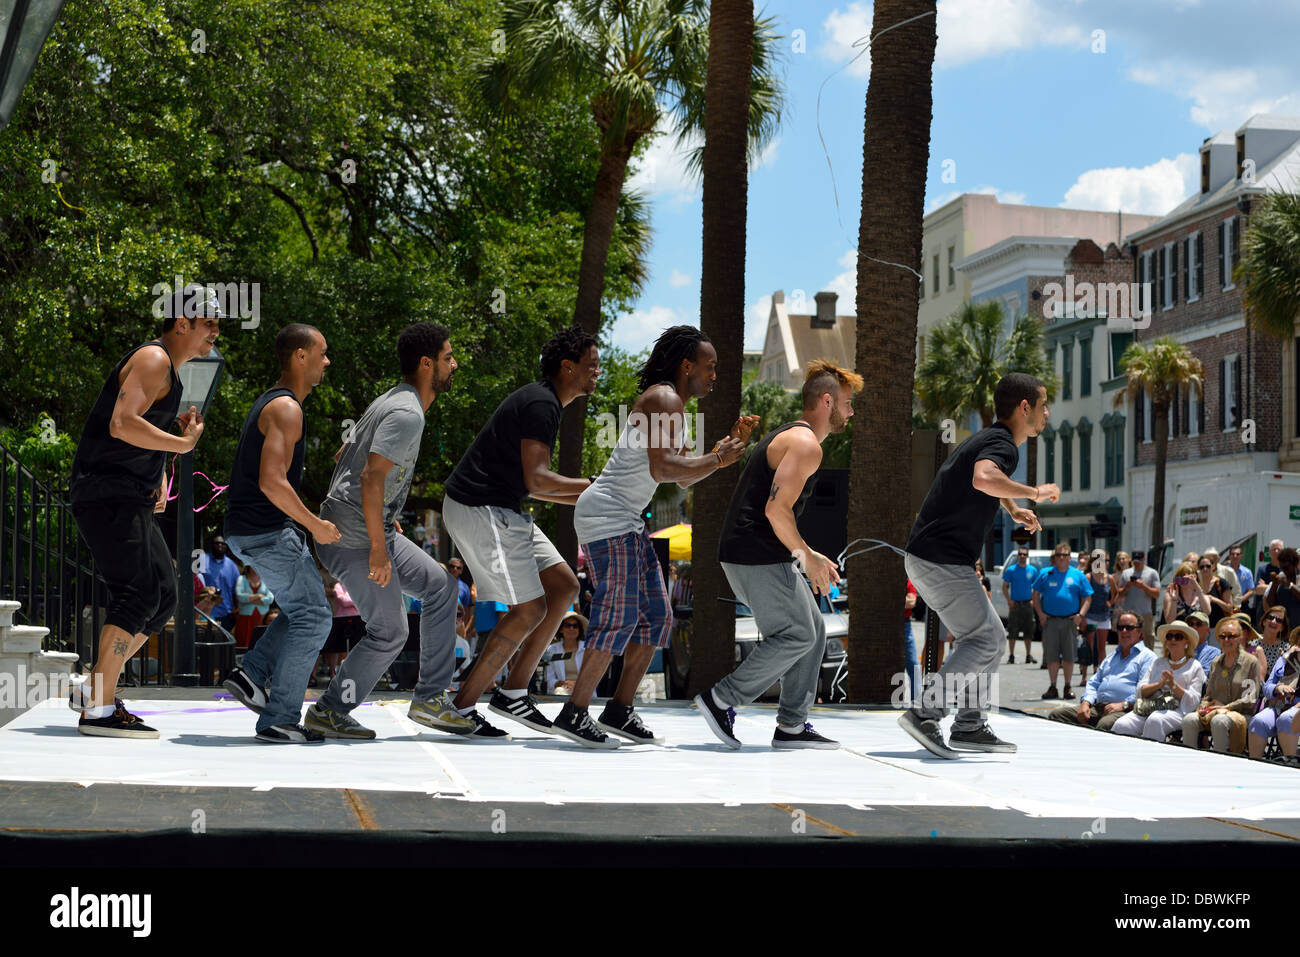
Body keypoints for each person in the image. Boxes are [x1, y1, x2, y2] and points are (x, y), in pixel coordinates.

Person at [557, 326, 752, 748]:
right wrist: (716, 459)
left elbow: (680, 479)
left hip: (625, 521)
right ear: (687, 366)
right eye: (710, 366)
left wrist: (720, 453)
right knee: (619, 615)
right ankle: (574, 711)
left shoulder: (674, 407)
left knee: (657, 618)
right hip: (609, 517)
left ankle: (619, 709)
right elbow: (666, 470)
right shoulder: (664, 399)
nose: (714, 374)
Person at [302, 323, 477, 739]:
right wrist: (378, 548)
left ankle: (431, 698)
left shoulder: (393, 400)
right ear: (426, 363)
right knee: (391, 630)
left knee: (440, 585)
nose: (455, 365)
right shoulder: (406, 412)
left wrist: (386, 511)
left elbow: (346, 454)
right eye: (449, 358)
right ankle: (330, 710)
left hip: (369, 525)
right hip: (355, 538)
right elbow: (369, 478)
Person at [66, 283, 221, 737]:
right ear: (181, 324)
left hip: (126, 494)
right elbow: (121, 423)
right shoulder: (153, 359)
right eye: (209, 324)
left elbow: (137, 431)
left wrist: (159, 474)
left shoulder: (168, 372)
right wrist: (183, 444)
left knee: (163, 595)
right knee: (136, 593)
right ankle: (98, 708)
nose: (215, 333)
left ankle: (96, 685)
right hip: (106, 494)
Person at [695, 360, 861, 751]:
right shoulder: (805, 445)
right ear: (826, 401)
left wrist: (809, 554)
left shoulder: (794, 437)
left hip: (752, 552)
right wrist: (807, 555)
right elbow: (775, 510)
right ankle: (721, 700)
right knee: (797, 633)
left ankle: (791, 726)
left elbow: (770, 507)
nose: (851, 412)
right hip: (756, 553)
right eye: (848, 403)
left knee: (814, 631)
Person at [442, 325, 600, 737]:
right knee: (529, 608)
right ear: (568, 368)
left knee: (564, 587)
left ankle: (513, 693)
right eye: (592, 365)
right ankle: (459, 706)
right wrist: (591, 487)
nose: (598, 371)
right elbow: (538, 480)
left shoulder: (546, 403)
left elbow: (539, 486)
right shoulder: (541, 404)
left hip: (503, 509)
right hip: (480, 508)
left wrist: (591, 496)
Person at [895, 373, 1055, 758]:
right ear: (1024, 408)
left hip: (932, 557)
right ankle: (925, 712)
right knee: (987, 639)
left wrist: (1014, 508)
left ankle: (969, 726)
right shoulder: (1002, 444)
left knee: (985, 638)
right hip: (940, 558)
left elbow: (980, 480)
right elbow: (985, 478)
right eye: (1043, 405)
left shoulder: (989, 439)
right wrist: (1033, 492)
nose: (1047, 413)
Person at [220, 323, 340, 743]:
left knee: (299, 611)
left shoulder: (274, 405)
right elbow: (273, 482)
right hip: (268, 533)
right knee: (315, 617)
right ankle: (280, 719)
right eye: (321, 353)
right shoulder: (287, 409)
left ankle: (250, 674)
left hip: (251, 531)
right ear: (300, 357)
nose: (327, 361)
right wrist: (316, 525)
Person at [1048, 611, 1155, 731]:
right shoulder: (1111, 657)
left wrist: (1124, 704)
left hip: (1126, 709)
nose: (1124, 631)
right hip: (1097, 707)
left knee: (1104, 725)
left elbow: (1144, 691)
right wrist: (1086, 703)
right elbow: (1094, 682)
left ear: (1139, 631)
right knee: (1057, 716)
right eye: (1120, 628)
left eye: (1129, 628)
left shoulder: (1147, 657)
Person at [1110, 621, 1205, 741]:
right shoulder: (1158, 662)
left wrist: (1173, 685)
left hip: (1177, 711)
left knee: (1155, 720)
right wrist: (1159, 684)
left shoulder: (1195, 666)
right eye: (1169, 636)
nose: (1173, 640)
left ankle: (1150, 758)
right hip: (1150, 706)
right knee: (1121, 724)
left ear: (1187, 642)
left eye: (1178, 637)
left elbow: (1193, 701)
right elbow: (1141, 690)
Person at [1181, 617, 1259, 754]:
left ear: (1240, 638)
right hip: (1215, 711)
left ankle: (1220, 764)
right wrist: (1203, 706)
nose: (1226, 640)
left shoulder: (1250, 662)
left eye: (1231, 636)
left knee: (1219, 721)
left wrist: (1227, 707)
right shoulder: (1216, 663)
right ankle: (1190, 761)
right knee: (1189, 720)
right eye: (1223, 636)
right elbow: (1208, 695)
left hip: (1241, 713)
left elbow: (1250, 699)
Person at [1033, 545, 1093, 701]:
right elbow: (1035, 594)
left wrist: (1081, 614)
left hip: (1069, 621)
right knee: (1052, 656)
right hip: (1050, 620)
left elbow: (1087, 597)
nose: (1061, 557)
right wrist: (1040, 614)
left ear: (1069, 557)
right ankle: (1053, 686)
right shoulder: (1045, 573)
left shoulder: (1077, 575)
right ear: (1054, 557)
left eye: (1064, 555)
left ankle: (1067, 686)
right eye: (1058, 554)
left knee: (1069, 656)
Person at [1247, 625, 1300, 760]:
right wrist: (1277, 689)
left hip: (1296, 709)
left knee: (1287, 719)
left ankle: (1291, 764)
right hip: (1279, 705)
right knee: (1258, 721)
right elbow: (1267, 687)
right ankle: (1255, 766)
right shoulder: (1284, 659)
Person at [1116, 549, 1161, 649]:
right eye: (1135, 561)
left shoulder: (1152, 573)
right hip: (1129, 613)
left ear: (1144, 559)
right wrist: (1127, 586)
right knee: (1127, 642)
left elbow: (1157, 594)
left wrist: (1143, 586)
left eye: (1139, 561)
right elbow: (1119, 594)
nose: (1137, 563)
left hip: (1145, 613)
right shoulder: (1126, 573)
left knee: (1147, 642)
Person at [1001, 546, 1038, 665]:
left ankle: (1028, 655)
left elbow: (1036, 587)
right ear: (1018, 556)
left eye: (1024, 554)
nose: (1022, 556)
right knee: (1012, 630)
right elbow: (1004, 586)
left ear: (1027, 556)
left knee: (1029, 630)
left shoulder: (1032, 570)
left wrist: (1033, 600)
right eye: (1020, 554)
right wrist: (1009, 600)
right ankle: (1011, 655)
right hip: (1015, 604)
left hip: (1027, 604)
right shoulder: (1011, 570)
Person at [1081, 549, 1111, 684]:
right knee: (1088, 646)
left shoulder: (1108, 578)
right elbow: (1083, 596)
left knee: (1101, 647)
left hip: (1104, 616)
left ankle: (1101, 674)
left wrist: (1111, 602)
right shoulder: (1088, 577)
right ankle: (1084, 676)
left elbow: (1116, 592)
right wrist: (1082, 616)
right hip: (1090, 616)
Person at [202, 535, 241, 631]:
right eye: (217, 543)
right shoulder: (202, 560)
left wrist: (235, 610)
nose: (220, 545)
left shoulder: (232, 565)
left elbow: (235, 591)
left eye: (223, 543)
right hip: (204, 612)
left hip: (225, 614)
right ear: (212, 545)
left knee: (223, 644)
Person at [545, 611, 587, 695]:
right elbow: (549, 679)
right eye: (568, 625)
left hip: (584, 692)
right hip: (561, 692)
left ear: (579, 630)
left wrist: (576, 685)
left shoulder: (587, 649)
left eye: (575, 626)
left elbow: (592, 677)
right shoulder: (551, 650)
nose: (571, 628)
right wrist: (564, 684)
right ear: (561, 629)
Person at [234, 565, 274, 649]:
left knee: (261, 643)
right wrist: (259, 595)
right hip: (245, 619)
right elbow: (240, 596)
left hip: (262, 618)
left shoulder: (266, 579)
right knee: (243, 643)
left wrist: (249, 599)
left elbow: (270, 598)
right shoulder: (242, 579)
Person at [1196, 554, 1236, 628]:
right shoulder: (1197, 585)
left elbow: (1229, 607)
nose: (1205, 569)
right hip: (1201, 628)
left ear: (1213, 566)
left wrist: (1215, 599)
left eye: (1208, 566)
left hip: (1218, 627)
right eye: (1202, 567)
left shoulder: (1221, 583)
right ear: (1198, 569)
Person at [1265, 547, 1300, 625]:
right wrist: (1274, 585)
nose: (1284, 571)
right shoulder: (1281, 577)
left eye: (1286, 568)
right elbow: (1271, 603)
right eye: (1281, 568)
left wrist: (1289, 585)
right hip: (1283, 628)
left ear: (1294, 564)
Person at [1255, 605, 1290, 676]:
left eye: (1279, 620)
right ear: (1264, 621)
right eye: (1271, 618)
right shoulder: (1251, 643)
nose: (1274, 621)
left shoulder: (1286, 649)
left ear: (1282, 628)